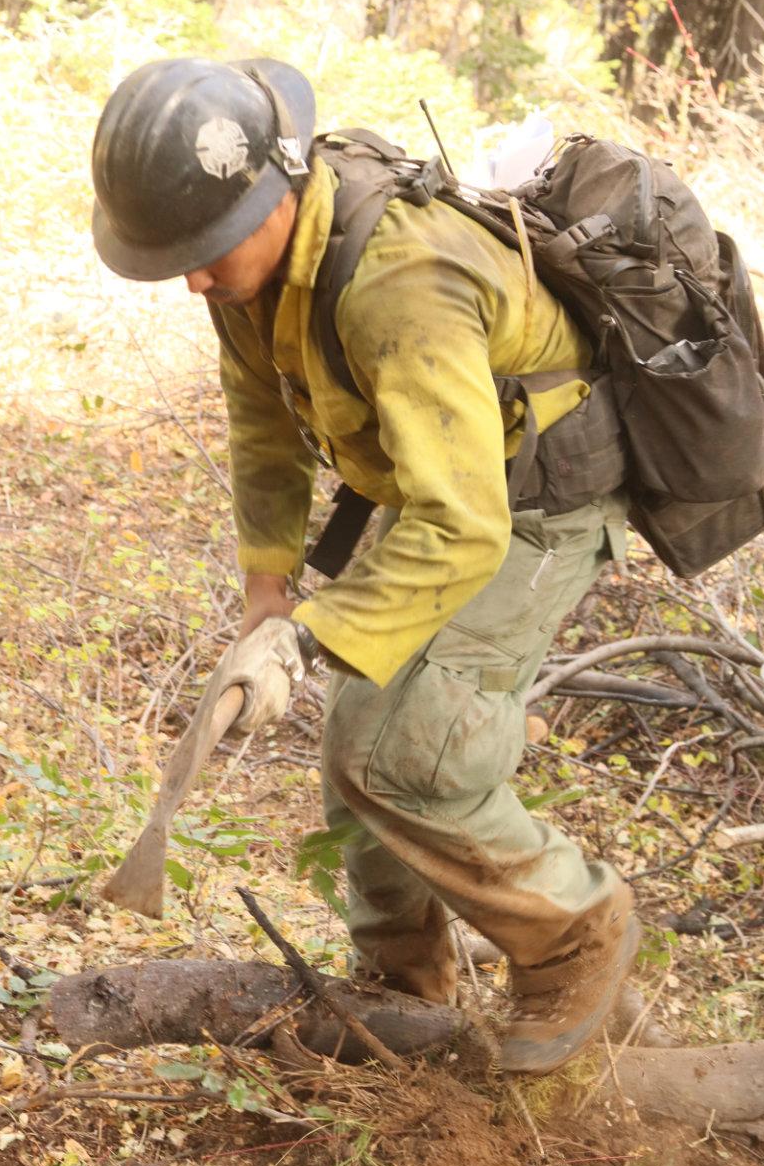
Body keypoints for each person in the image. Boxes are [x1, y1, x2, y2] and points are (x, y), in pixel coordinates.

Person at [90, 54, 640, 1074]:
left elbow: (467, 524)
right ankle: (402, 978)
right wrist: (268, 595)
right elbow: (261, 420)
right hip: (439, 481)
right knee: (358, 731)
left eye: (208, 251)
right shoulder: (244, 266)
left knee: (411, 748)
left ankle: (578, 934)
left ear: (279, 187)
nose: (197, 278)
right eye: (178, 256)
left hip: (534, 498)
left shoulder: (399, 282)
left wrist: (304, 640)